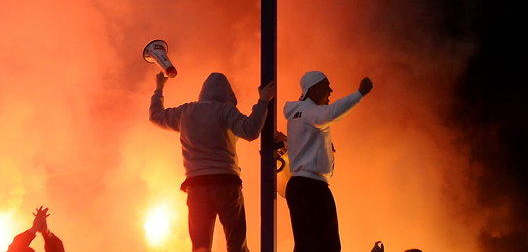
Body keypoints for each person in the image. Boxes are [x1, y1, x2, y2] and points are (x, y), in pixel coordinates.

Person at [150, 71, 275, 252]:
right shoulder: (226, 110)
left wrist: (159, 88)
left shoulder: (186, 111)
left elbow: (156, 116)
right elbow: (250, 131)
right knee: (236, 243)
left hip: (196, 185)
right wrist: (263, 101)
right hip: (226, 183)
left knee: (200, 246)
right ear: (229, 95)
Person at [284, 71, 373, 252]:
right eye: (327, 86)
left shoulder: (298, 114)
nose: (331, 90)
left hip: (300, 186)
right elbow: (332, 113)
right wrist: (359, 94)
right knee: (328, 245)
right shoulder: (310, 113)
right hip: (312, 188)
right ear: (314, 89)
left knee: (306, 244)